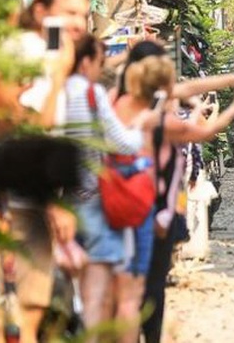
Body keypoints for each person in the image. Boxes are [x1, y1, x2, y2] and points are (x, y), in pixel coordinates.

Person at [112, 45, 234, 343]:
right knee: (148, 287)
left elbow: (189, 87)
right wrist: (233, 104)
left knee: (124, 290)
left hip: (116, 204)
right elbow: (203, 131)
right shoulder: (156, 117)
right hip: (154, 208)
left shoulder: (115, 101)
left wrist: (231, 78)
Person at [7, 0, 90, 342]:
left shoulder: (45, 52)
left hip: (29, 201)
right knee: (25, 310)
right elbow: (34, 128)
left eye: (84, 16)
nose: (78, 23)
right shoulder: (31, 53)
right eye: (69, 13)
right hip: (21, 202)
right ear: (40, 11)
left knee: (31, 309)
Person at [63, 35, 153, 338]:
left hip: (63, 202)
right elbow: (122, 142)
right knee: (96, 293)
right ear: (87, 61)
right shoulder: (91, 94)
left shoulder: (55, 92)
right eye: (100, 62)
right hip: (95, 201)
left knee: (73, 287)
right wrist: (144, 126)